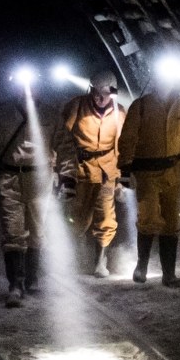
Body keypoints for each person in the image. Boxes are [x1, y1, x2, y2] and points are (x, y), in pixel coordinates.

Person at [0, 74, 73, 307]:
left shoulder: (50, 115)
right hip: (8, 178)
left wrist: (69, 178)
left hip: (40, 178)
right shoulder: (0, 115)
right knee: (13, 231)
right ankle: (15, 285)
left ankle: (32, 279)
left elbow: (66, 148)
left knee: (37, 231)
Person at [117, 73, 180, 287]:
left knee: (171, 223)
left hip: (173, 172)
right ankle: (141, 266)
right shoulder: (140, 106)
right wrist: (124, 168)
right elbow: (128, 138)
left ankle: (168, 274)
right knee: (149, 219)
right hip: (146, 173)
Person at [57, 69, 126, 277]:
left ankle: (99, 263)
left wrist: (121, 180)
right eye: (95, 93)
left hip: (107, 171)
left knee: (106, 217)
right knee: (77, 218)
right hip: (81, 170)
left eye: (104, 93)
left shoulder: (119, 112)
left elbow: (122, 145)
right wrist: (58, 170)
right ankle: (73, 258)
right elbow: (61, 138)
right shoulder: (77, 106)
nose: (99, 98)